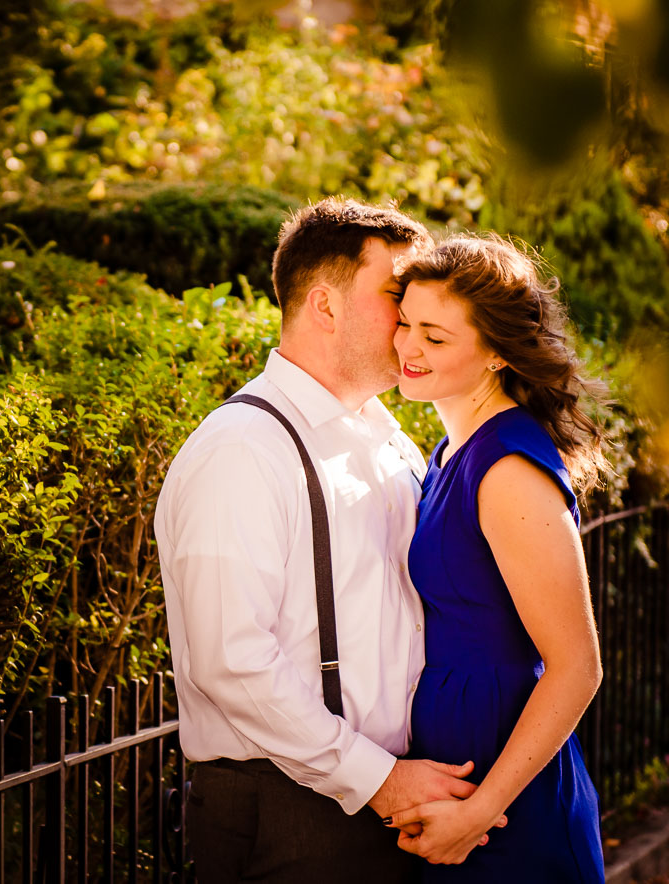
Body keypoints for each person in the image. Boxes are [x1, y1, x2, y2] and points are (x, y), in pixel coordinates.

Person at [157, 198, 496, 883]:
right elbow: (232, 662)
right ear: (324, 307)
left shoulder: (384, 436)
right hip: (290, 813)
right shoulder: (242, 449)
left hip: (395, 796)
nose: (412, 320)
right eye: (397, 295)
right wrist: (377, 780)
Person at [385, 235, 606, 881]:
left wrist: (482, 811)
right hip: (457, 780)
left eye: (435, 335)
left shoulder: (508, 466)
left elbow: (577, 667)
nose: (407, 347)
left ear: (496, 353)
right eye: (405, 324)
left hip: (509, 804)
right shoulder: (450, 452)